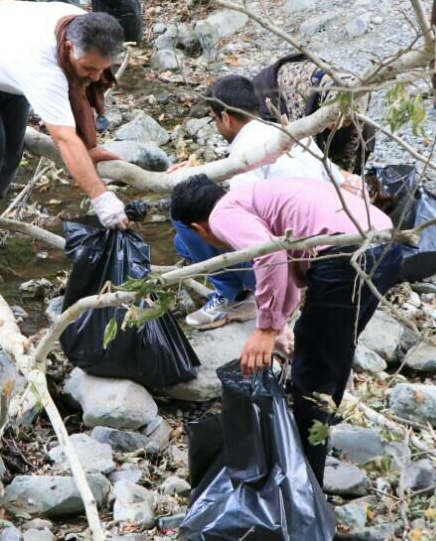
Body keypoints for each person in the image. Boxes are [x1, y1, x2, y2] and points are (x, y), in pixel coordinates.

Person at [170, 175, 401, 487]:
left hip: (346, 255)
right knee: (332, 351)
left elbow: (271, 255)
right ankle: (320, 431)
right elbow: (290, 267)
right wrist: (280, 325)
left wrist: (265, 329)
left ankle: (306, 486)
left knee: (311, 376)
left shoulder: (221, 215)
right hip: (384, 244)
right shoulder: (252, 194)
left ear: (199, 229)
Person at [0, 3, 129, 284]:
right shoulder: (41, 66)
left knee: (11, 153)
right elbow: (63, 137)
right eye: (89, 68)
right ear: (69, 47)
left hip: (2, 63)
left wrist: (89, 148)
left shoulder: (86, 25)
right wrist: (102, 199)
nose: (97, 77)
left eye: (102, 69)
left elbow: (78, 93)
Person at [176, 75, 347, 330]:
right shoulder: (290, 133)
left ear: (225, 117)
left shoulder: (245, 156)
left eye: (214, 120)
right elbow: (339, 180)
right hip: (330, 249)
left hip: (288, 263)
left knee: (184, 218)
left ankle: (233, 296)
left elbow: (242, 223)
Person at [252, 54, 376, 173]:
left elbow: (352, 143)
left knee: (366, 131)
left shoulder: (358, 98)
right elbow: (307, 148)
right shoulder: (299, 88)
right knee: (294, 160)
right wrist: (331, 177)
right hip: (271, 100)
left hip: (317, 105)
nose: (339, 124)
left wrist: (348, 177)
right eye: (336, 118)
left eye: (347, 120)